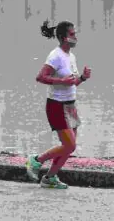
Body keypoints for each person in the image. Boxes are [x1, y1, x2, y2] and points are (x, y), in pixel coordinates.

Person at [25, 20, 92, 189]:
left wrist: (82, 78)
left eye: (75, 34)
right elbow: (40, 77)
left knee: (68, 148)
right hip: (56, 105)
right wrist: (61, 80)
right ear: (63, 37)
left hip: (70, 105)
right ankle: (36, 160)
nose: (75, 37)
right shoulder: (55, 55)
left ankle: (49, 178)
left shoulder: (71, 56)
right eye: (72, 34)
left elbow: (72, 82)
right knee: (70, 145)